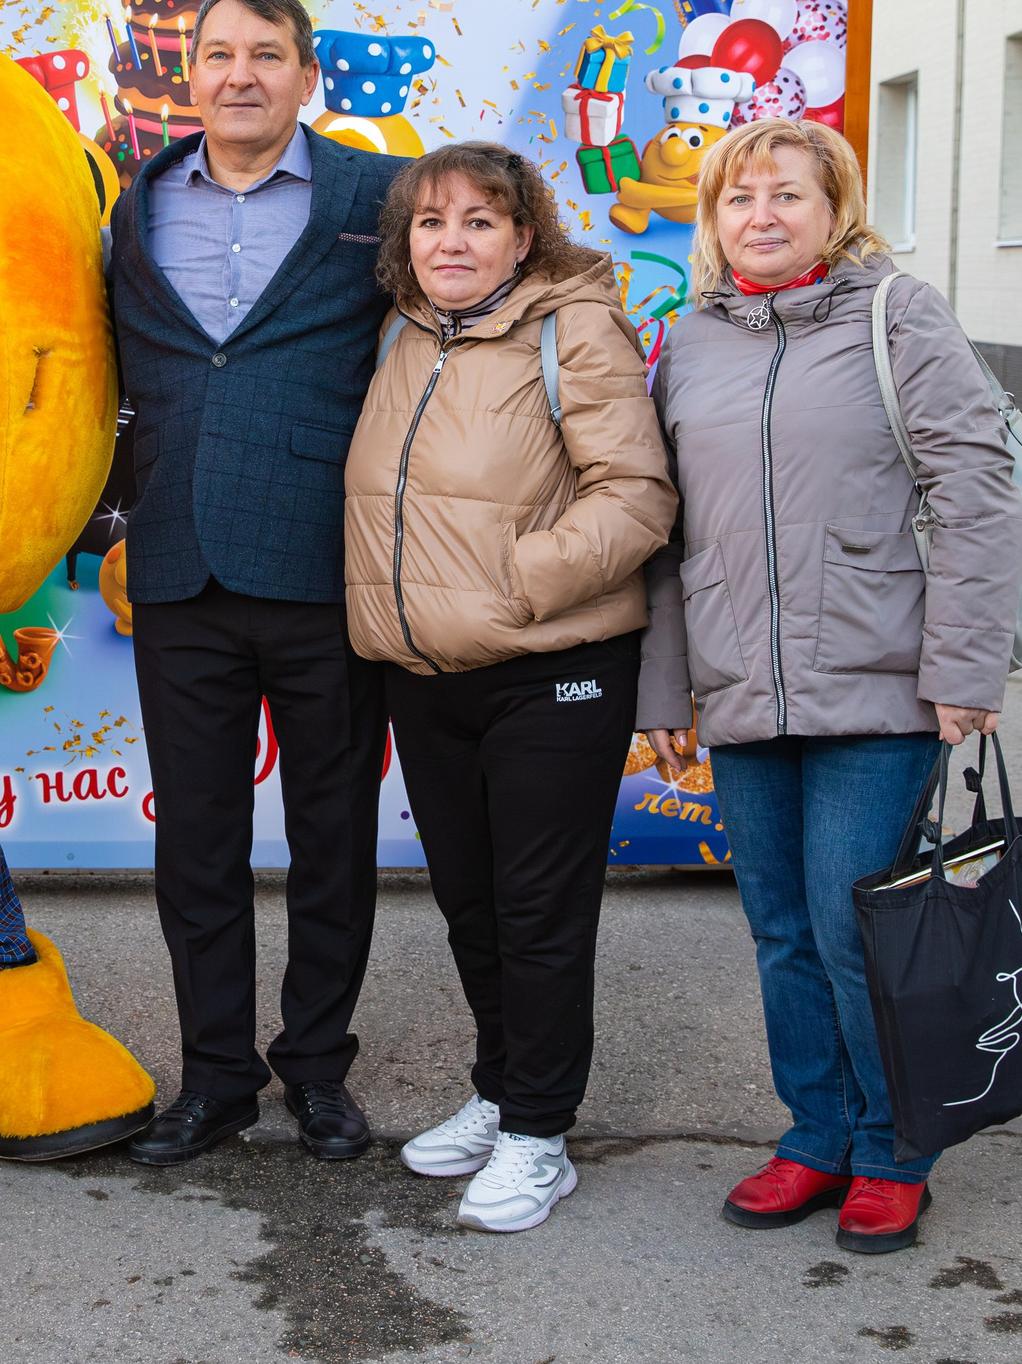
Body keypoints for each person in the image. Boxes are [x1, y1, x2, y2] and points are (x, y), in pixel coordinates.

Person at [635, 116, 1022, 1254]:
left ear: (833, 208)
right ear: (710, 220)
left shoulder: (895, 315)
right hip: (742, 685)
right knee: (779, 930)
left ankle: (892, 1149)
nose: (761, 216)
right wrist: (666, 692)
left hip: (881, 682)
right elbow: (665, 534)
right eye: (737, 199)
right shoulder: (691, 340)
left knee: (859, 925)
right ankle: (813, 1134)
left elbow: (973, 486)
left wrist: (964, 666)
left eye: (786, 196)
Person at [343, 143, 674, 1231]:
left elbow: (635, 495)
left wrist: (518, 583)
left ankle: (540, 1133)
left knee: (538, 913)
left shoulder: (570, 326)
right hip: (429, 674)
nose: (453, 242)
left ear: (523, 236)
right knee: (473, 905)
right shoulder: (402, 332)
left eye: (480, 222)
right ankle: (499, 1091)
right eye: (433, 223)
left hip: (551, 670)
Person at [108, 0, 411, 1166]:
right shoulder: (131, 202)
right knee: (195, 842)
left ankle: (319, 1074)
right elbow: (94, 368)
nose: (239, 74)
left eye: (265, 54)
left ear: (304, 74)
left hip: (324, 561)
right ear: (190, 74)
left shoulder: (375, 196)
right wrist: (103, 523)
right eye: (217, 53)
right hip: (178, 560)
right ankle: (215, 1079)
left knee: (332, 834)